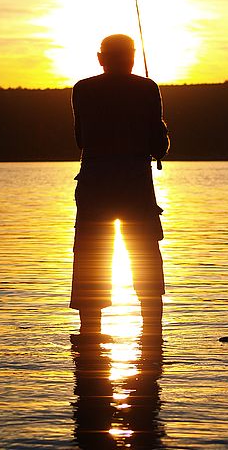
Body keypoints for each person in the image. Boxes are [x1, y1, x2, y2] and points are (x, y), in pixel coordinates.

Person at [70, 34, 170, 337]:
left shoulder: (82, 90)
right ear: (133, 57)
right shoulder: (147, 88)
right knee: (145, 253)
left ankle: (90, 336)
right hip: (134, 183)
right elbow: (159, 147)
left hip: (94, 181)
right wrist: (161, 130)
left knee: (90, 255)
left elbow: (80, 141)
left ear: (101, 58)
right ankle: (153, 334)